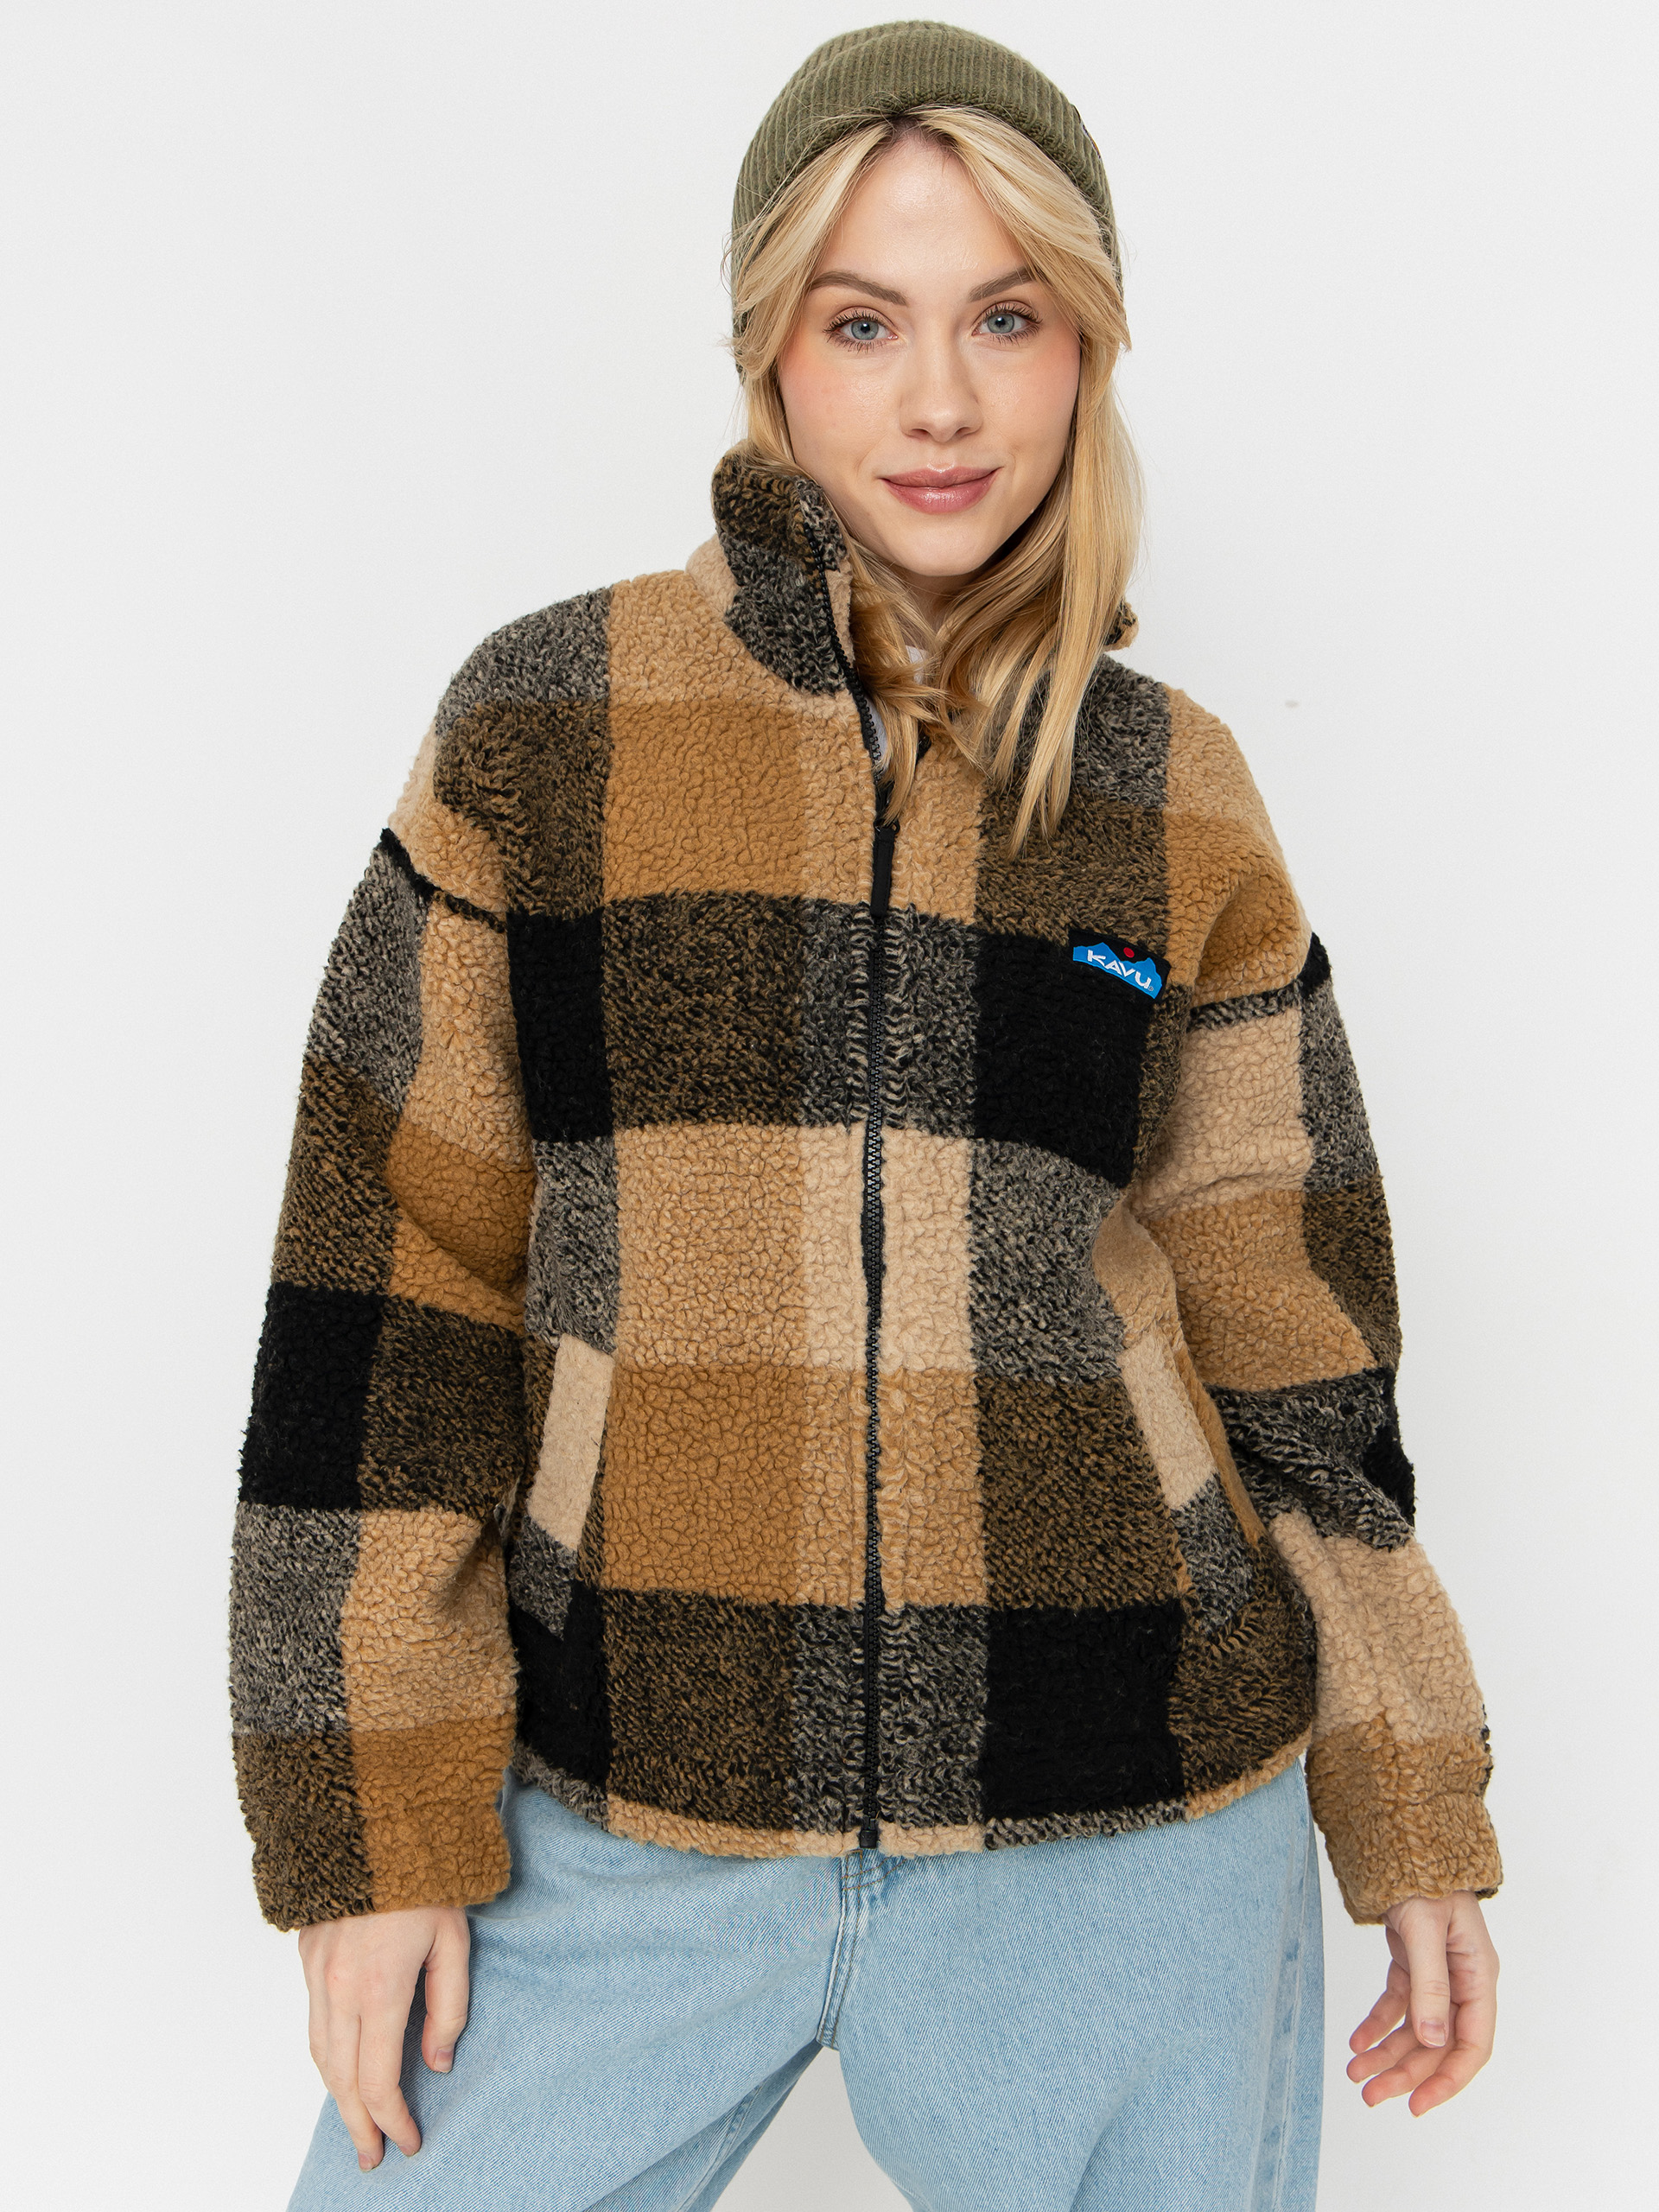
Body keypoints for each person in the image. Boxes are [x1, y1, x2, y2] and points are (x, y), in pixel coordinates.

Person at [231, 22, 1502, 2210]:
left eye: (1005, 318)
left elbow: (1299, 1339)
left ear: (1085, 348)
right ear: (769, 350)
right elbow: (387, 1288)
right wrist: (371, 1826)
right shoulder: (548, 725)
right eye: (863, 322)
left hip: (1123, 1812)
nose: (940, 400)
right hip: (626, 1787)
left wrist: (1408, 1790)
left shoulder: (1171, 787)